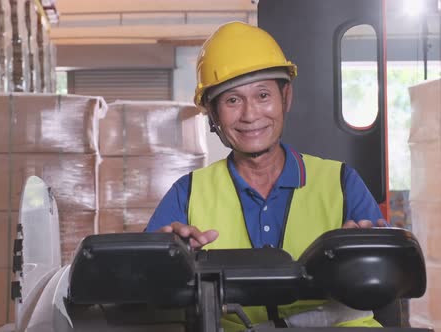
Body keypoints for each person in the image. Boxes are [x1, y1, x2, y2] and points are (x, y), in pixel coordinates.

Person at [145, 21, 387, 329]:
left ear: (285, 97)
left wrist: (365, 255)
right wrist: (169, 259)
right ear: (213, 115)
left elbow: (383, 281)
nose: (250, 114)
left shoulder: (341, 182)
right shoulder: (188, 192)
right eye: (232, 100)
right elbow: (147, 289)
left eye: (262, 95)